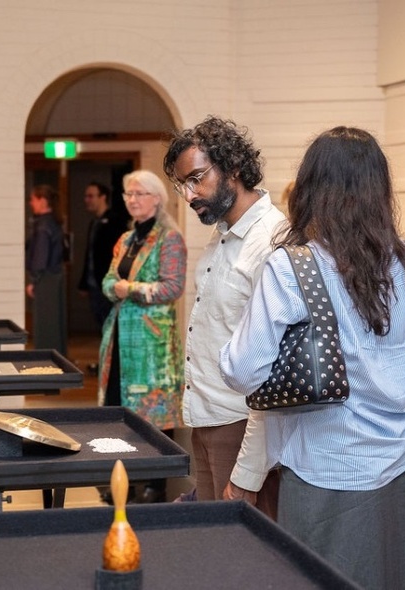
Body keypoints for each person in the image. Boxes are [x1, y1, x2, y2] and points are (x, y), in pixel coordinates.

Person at [220, 126, 405, 589]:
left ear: (311, 189)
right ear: (379, 191)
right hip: (402, 469)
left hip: (322, 473)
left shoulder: (291, 267)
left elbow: (242, 369)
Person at [162, 115, 283, 520]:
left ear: (233, 166)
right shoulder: (223, 235)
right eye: (183, 185)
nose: (190, 194)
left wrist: (250, 466)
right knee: (216, 553)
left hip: (244, 425)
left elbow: (275, 366)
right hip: (207, 416)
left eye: (197, 178)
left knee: (249, 563)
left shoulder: (271, 239)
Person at [98, 169, 186, 503]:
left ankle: (155, 483)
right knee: (120, 407)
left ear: (157, 198)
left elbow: (173, 287)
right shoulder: (126, 239)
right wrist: (117, 288)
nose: (132, 200)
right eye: (128, 195)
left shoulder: (169, 238)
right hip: (120, 336)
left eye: (139, 194)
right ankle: (123, 479)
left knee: (152, 414)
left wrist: (129, 289)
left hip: (153, 342)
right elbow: (108, 281)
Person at [78, 182, 128, 372]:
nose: (87, 200)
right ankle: (105, 365)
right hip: (94, 286)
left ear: (103, 197)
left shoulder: (115, 222)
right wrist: (84, 282)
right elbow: (89, 255)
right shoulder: (94, 223)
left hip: (108, 286)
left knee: (111, 327)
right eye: (86, 196)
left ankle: (112, 367)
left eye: (91, 196)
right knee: (102, 326)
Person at [25, 184, 67, 355]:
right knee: (56, 323)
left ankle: (46, 359)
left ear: (42, 201)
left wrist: (34, 280)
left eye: (33, 199)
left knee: (46, 324)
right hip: (55, 277)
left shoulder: (43, 226)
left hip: (46, 279)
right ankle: (58, 358)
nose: (30, 203)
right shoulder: (53, 223)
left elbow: (40, 257)